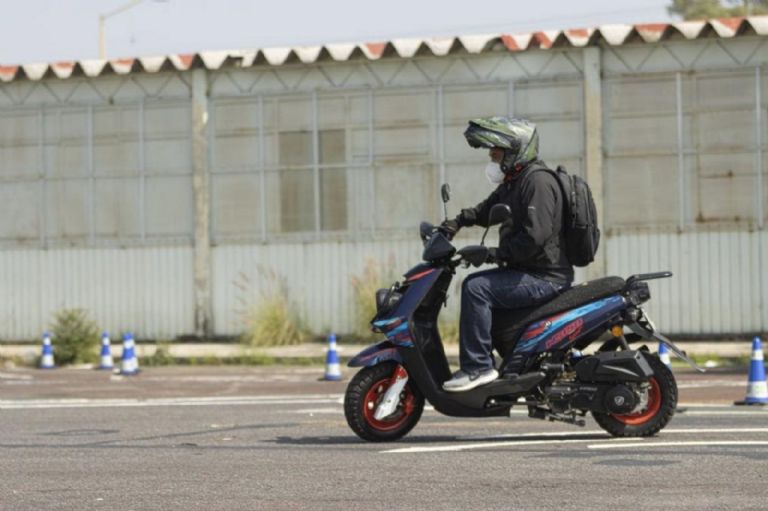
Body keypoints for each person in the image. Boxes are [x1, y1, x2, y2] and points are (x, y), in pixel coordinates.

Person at [440, 117, 574, 392]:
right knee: (480, 288)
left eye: (496, 153)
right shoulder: (516, 181)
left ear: (516, 151)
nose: (491, 159)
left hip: (545, 276)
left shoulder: (537, 182)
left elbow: (534, 238)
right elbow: (489, 208)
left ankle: (478, 367)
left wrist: (493, 254)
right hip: (528, 270)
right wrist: (458, 222)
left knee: (476, 288)